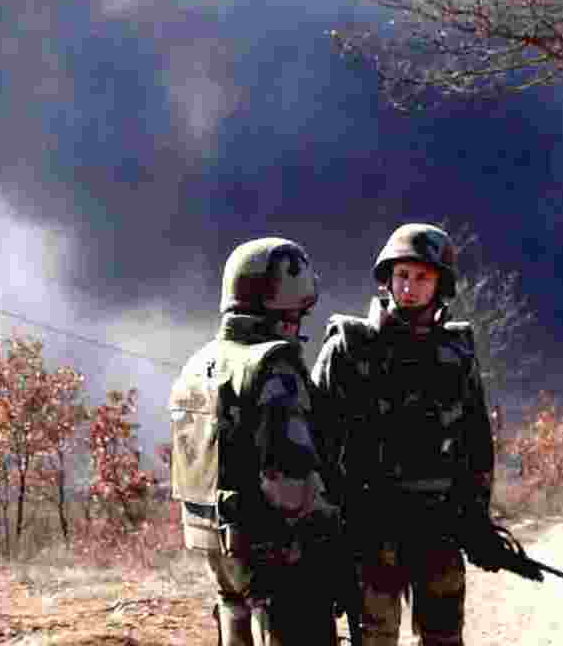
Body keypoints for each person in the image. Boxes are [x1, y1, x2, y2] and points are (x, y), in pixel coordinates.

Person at [311, 223, 495, 646]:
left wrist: (476, 518)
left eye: (422, 277)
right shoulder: (349, 346)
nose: (409, 288)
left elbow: (475, 443)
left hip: (438, 525)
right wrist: (324, 526)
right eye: (402, 275)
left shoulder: (456, 352)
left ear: (440, 284)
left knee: (444, 636)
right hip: (369, 526)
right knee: (375, 637)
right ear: (388, 278)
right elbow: (317, 440)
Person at [169, 237, 339, 646]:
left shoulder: (200, 362)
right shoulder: (274, 365)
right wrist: (331, 528)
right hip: (274, 551)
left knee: (236, 622)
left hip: (215, 544)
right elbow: (291, 481)